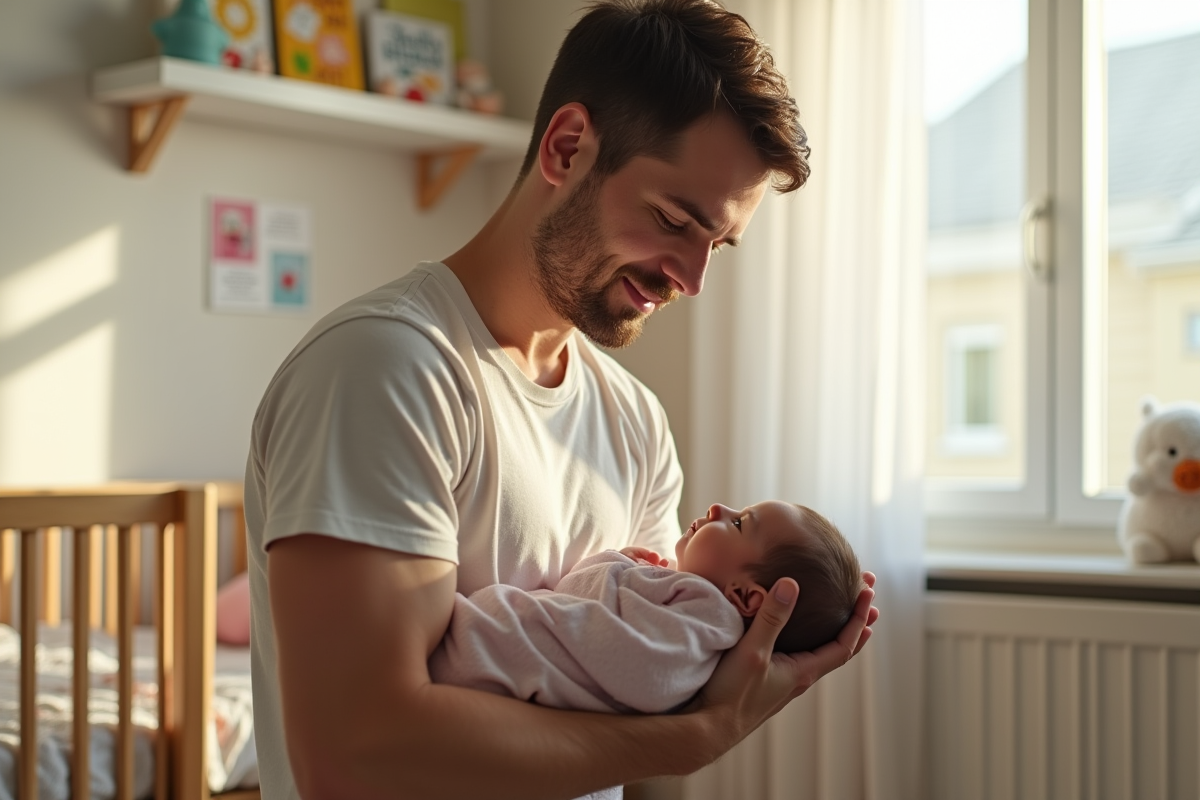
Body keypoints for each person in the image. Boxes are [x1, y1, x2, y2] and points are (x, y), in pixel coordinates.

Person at [244, 1, 880, 799]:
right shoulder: (385, 371)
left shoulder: (636, 424)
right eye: (673, 220)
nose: (692, 279)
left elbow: (643, 691)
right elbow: (355, 756)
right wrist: (693, 741)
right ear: (568, 147)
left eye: (716, 244)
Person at [430, 501, 864, 714]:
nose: (719, 507)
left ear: (745, 597)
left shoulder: (707, 618)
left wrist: (615, 566)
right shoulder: (687, 609)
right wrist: (630, 570)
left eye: (737, 523)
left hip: (485, 658)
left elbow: (642, 670)